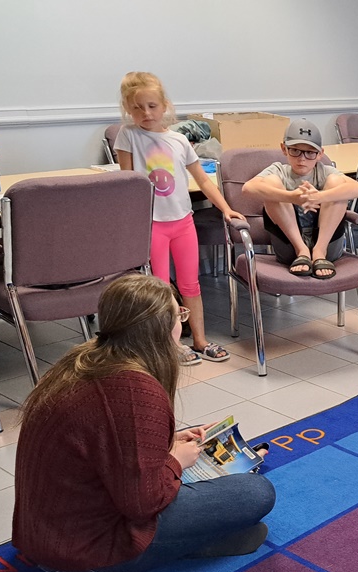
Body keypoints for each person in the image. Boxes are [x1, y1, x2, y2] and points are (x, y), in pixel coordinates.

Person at [12, 274, 276, 572]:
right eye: (179, 314)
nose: (182, 323)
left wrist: (168, 443)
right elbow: (143, 503)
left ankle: (196, 540)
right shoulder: (136, 390)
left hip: (47, 536)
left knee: (199, 447)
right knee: (256, 491)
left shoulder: (84, 358)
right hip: (89, 549)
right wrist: (174, 460)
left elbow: (108, 441)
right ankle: (188, 545)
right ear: (162, 328)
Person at [115, 72, 244, 365]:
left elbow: (204, 180)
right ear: (127, 110)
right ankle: (170, 345)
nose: (145, 113)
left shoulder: (179, 140)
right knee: (160, 288)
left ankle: (199, 340)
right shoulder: (129, 136)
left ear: (164, 106)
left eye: (151, 106)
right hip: (152, 226)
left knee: (191, 285)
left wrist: (225, 207)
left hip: (182, 222)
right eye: (137, 108)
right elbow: (127, 181)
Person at [241, 117, 358, 280]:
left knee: (338, 186)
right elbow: (248, 188)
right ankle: (302, 250)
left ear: (320, 154)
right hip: (289, 247)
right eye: (295, 151)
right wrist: (291, 197)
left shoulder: (325, 172)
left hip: (327, 246)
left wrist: (319, 196)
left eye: (310, 153)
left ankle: (319, 251)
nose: (302, 159)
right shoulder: (278, 170)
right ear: (284, 149)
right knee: (271, 186)